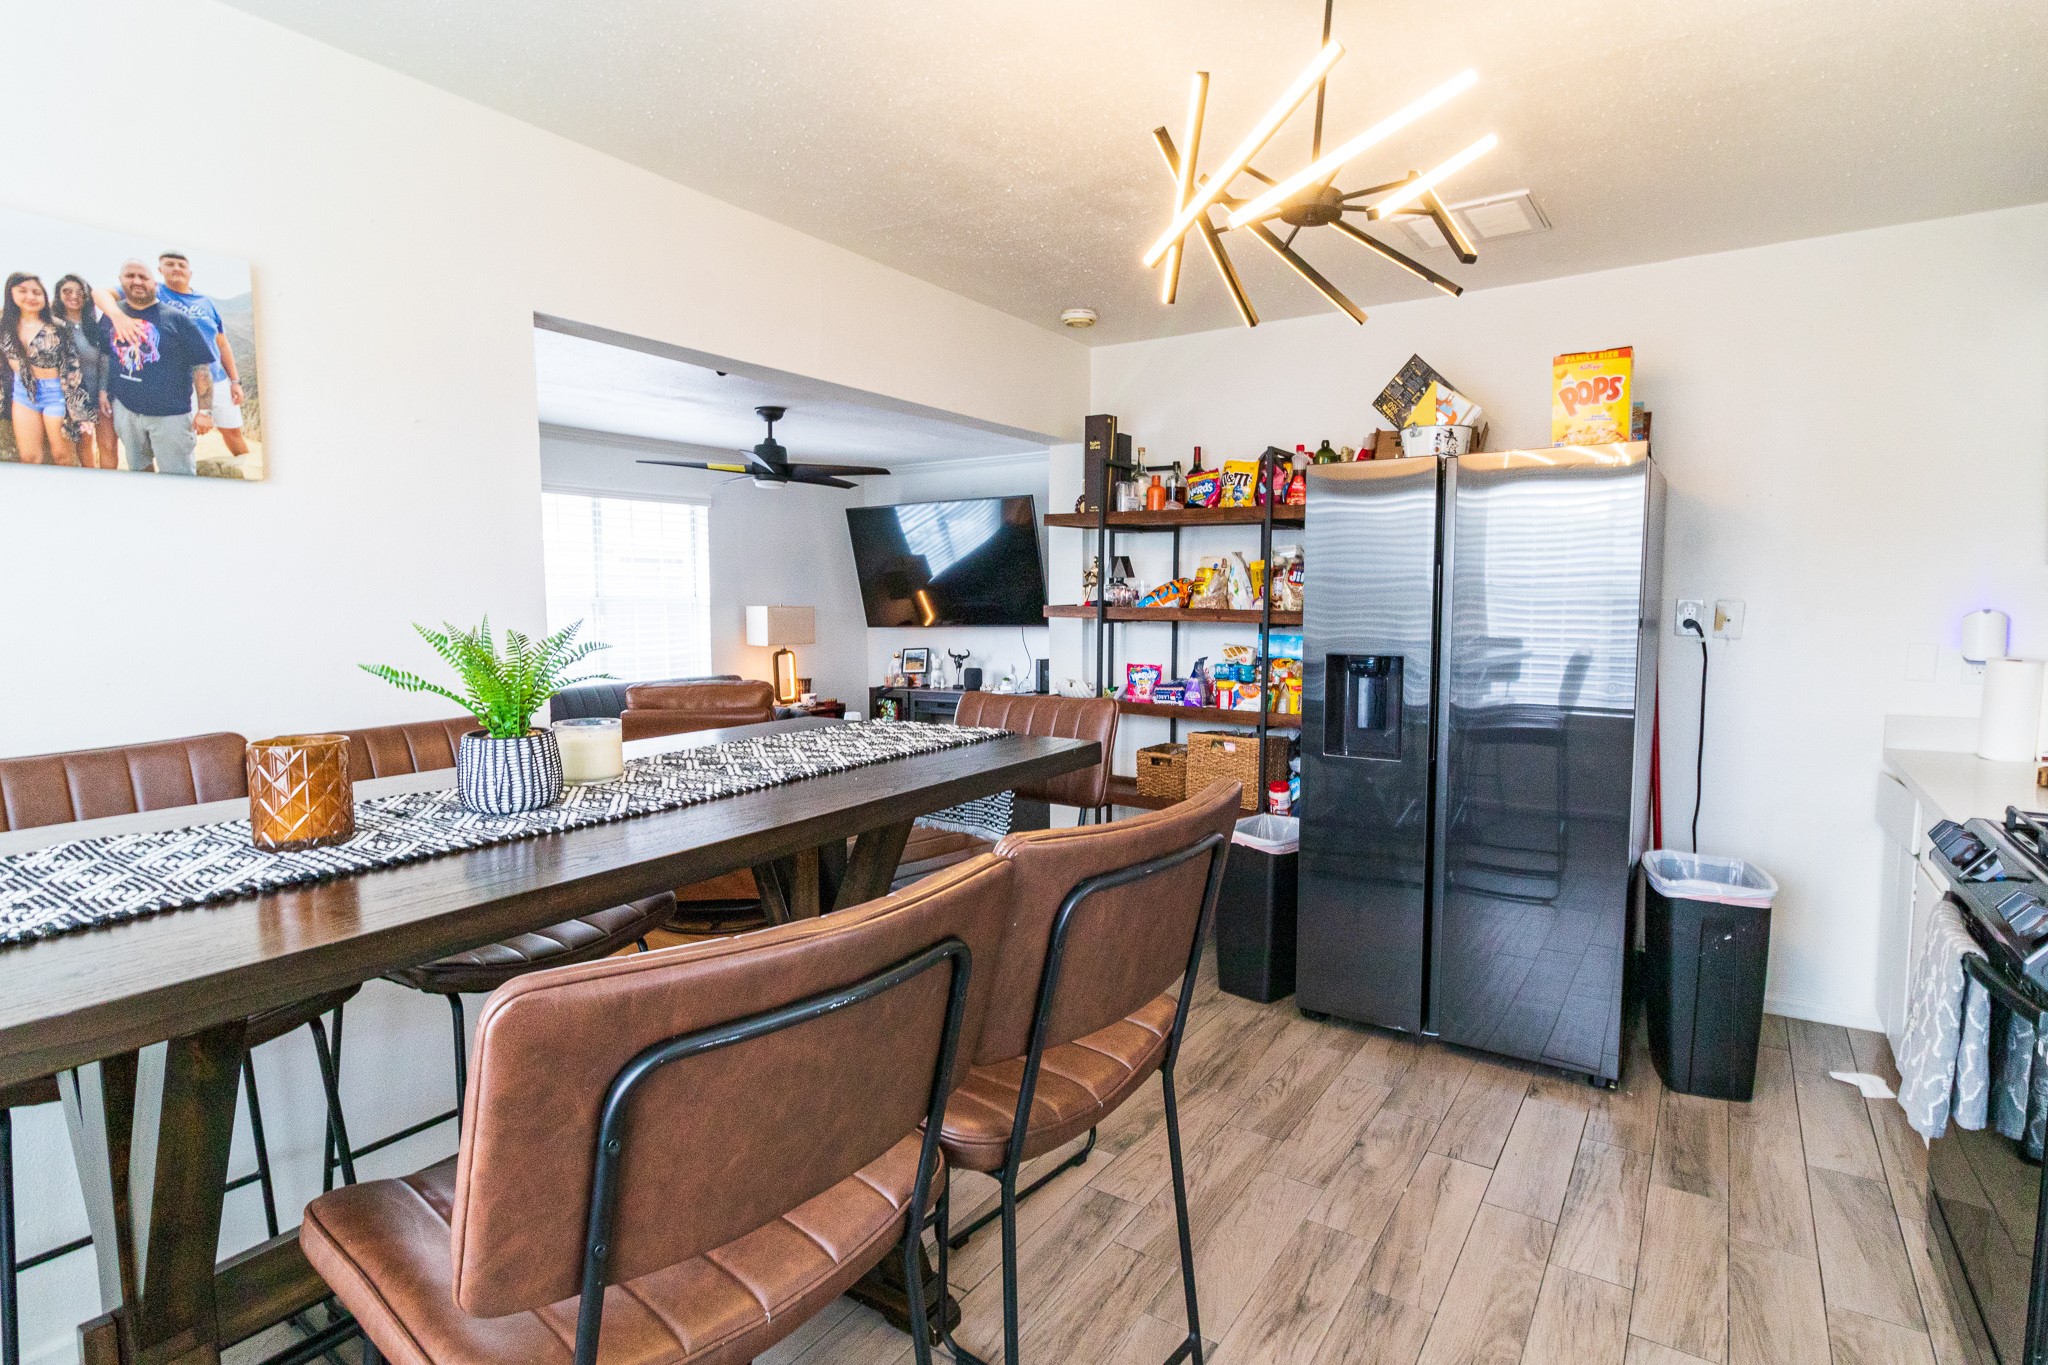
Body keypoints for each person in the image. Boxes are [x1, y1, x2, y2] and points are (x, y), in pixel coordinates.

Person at [99, 259, 214, 475]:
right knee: (139, 468)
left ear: (155, 283)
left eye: (143, 277)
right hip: (126, 410)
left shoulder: (177, 319)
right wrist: (105, 389)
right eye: (130, 276)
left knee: (178, 474)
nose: (137, 281)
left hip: (170, 415)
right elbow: (107, 356)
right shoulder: (111, 316)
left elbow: (201, 367)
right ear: (120, 281)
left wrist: (205, 410)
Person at [153, 251, 249, 458]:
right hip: (178, 383)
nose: (176, 268)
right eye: (170, 264)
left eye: (181, 265)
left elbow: (222, 344)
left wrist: (235, 381)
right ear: (160, 271)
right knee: (183, 438)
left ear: (190, 272)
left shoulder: (206, 302)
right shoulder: (155, 294)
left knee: (232, 432)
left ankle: (246, 469)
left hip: (217, 379)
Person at [0, 272, 90, 467]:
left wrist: (80, 412)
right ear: (11, 294)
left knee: (62, 458)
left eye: (36, 292)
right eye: (23, 291)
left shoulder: (58, 327)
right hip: (23, 395)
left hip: (55, 394)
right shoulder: (4, 326)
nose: (31, 297)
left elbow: (73, 368)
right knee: (29, 458)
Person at [54, 275, 116, 470]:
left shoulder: (96, 327)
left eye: (81, 292)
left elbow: (105, 361)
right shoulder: (55, 328)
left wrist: (103, 391)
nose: (74, 296)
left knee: (108, 446)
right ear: (58, 296)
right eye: (67, 291)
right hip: (76, 401)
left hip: (102, 396)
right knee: (85, 448)